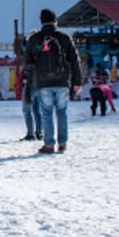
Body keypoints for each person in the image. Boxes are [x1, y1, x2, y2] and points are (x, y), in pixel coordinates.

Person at [24, 9, 83, 154]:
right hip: (62, 81)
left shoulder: (35, 39)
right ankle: (62, 143)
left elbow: (28, 63)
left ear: (41, 21)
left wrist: (29, 84)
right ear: (55, 21)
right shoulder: (64, 38)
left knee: (46, 113)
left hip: (43, 82)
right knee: (62, 112)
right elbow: (74, 60)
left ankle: (49, 144)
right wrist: (78, 81)